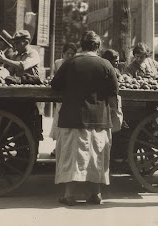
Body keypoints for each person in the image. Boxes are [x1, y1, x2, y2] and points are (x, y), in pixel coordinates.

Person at [51, 30, 119, 206]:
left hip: (73, 117)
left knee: (72, 157)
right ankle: (95, 194)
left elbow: (55, 85)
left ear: (82, 45)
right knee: (96, 156)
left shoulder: (70, 63)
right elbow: (113, 92)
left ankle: (69, 195)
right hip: (99, 118)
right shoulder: (106, 65)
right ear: (98, 47)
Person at [49, 43, 78, 157]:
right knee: (58, 121)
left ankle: (67, 149)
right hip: (60, 95)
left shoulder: (75, 64)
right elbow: (55, 77)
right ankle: (57, 148)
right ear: (63, 54)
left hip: (70, 95)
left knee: (68, 125)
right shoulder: (58, 63)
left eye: (72, 54)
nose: (70, 55)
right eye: (68, 53)